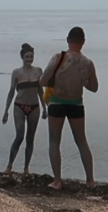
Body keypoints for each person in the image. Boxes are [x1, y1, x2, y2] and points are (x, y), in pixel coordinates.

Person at [39, 26, 98, 190]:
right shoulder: (88, 63)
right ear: (83, 42)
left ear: (67, 40)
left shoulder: (58, 58)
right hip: (76, 104)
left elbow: (42, 81)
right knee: (82, 141)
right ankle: (90, 180)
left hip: (57, 102)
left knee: (54, 141)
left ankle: (57, 180)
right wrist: (82, 81)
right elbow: (94, 87)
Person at [1, 43, 47, 175]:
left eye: (31, 56)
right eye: (27, 56)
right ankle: (9, 166)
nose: (29, 58)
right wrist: (6, 111)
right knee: (20, 136)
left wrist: (45, 108)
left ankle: (26, 168)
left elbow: (40, 91)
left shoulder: (38, 71)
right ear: (22, 57)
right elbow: (11, 92)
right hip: (19, 106)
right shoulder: (16, 72)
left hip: (34, 107)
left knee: (30, 138)